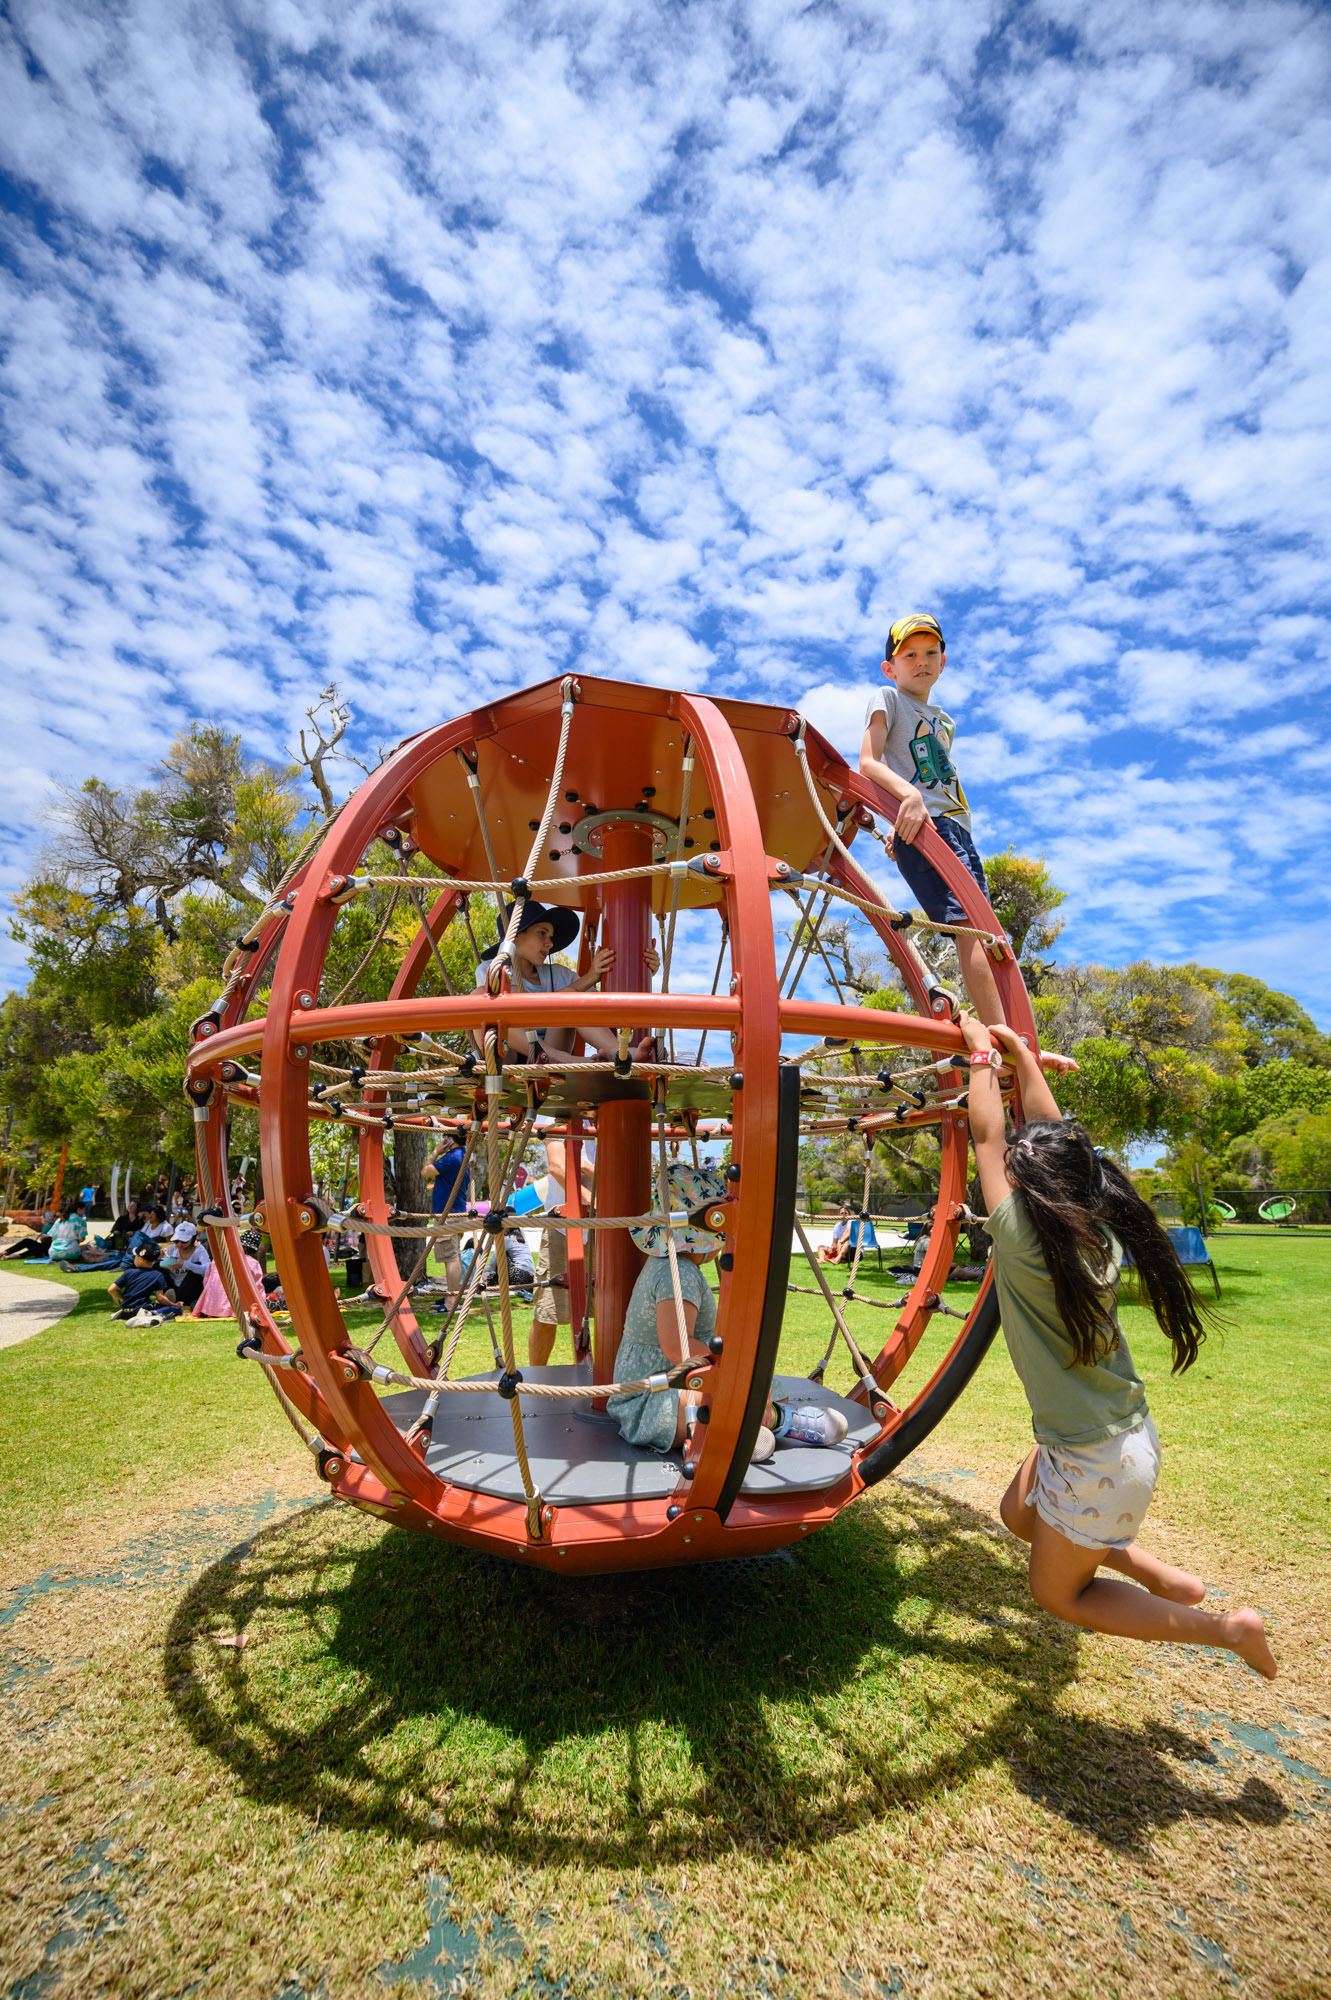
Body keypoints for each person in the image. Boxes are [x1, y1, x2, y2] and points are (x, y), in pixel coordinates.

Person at [960, 1012, 1277, 1679]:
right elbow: (1059, 1143)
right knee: (1017, 1513)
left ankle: (1226, 1630)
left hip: (1092, 1458)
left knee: (1056, 1594)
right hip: (1111, 1438)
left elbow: (987, 1133)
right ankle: (1145, 1566)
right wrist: (1022, 1061)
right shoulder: (1095, 1229)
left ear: (1028, 1190)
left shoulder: (1017, 1237)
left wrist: (980, 1054)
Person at [608, 1162, 850, 1459]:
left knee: (767, 1385)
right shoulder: (678, 1273)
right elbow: (677, 1348)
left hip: (666, 1388)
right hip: (648, 1401)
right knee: (730, 1388)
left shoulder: (674, 1266)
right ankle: (778, 1422)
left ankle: (747, 1424)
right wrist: (737, 1374)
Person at [859, 613, 1002, 1025]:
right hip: (930, 825)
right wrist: (907, 800)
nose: (921, 661)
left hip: (955, 826)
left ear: (943, 662)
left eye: (930, 653)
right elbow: (870, 762)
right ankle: (1002, 1031)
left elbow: (915, 769)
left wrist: (898, 817)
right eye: (910, 654)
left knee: (985, 926)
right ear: (891, 667)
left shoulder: (944, 721)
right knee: (969, 925)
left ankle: (1004, 1023)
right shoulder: (887, 698)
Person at [473, 900, 660, 1066]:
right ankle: (562, 1059)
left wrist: (641, 971)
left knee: (576, 1000)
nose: (550, 943)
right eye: (542, 933)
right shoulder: (492, 967)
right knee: (480, 996)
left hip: (552, 1052)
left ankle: (617, 1052)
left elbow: (603, 1008)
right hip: (509, 1059)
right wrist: (588, 978)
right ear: (515, 937)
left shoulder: (560, 974)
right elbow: (519, 1007)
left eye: (551, 936)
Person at [526, 1130, 595, 1364]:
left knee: (609, 1309)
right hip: (563, 1226)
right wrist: (592, 1199)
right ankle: (535, 1381)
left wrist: (588, 1168)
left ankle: (599, 1378)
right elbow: (557, 1167)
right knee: (548, 1310)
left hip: (602, 1226)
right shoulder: (556, 1114)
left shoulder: (605, 1110)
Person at [423, 1124, 471, 1310]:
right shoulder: (463, 1156)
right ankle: (451, 1298)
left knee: (450, 1256)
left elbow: (425, 1172)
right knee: (453, 1255)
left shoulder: (452, 1158)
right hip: (455, 1211)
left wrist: (435, 1152)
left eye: (444, 1137)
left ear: (450, 1139)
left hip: (448, 1213)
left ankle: (452, 1301)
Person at [108, 1243, 180, 1321]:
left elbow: (111, 1289)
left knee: (152, 1305)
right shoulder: (157, 1275)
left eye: (135, 1256)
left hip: (126, 1310)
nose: (134, 1258)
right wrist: (174, 1305)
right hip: (141, 1309)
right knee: (176, 1310)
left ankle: (123, 1313)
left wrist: (123, 1299)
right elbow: (160, 1298)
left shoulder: (128, 1272)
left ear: (140, 1259)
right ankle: (150, 1314)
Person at [163, 1220, 211, 1310]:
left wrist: (185, 1264)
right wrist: (162, 1260)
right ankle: (168, 1297)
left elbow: (208, 1269)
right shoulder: (171, 1250)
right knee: (159, 1266)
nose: (179, 1244)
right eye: (176, 1241)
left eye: (184, 1241)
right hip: (173, 1287)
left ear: (193, 1238)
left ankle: (174, 1299)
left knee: (197, 1267)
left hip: (190, 1289)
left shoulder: (199, 1250)